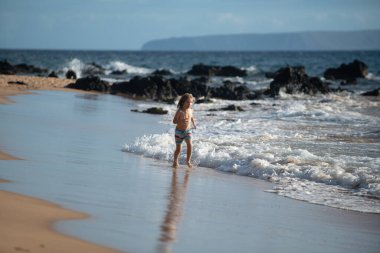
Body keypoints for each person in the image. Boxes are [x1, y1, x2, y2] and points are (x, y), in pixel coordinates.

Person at [172, 93, 197, 168]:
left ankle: (188, 161)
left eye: (191, 102)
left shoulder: (190, 110)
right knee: (178, 149)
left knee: (190, 145)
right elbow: (174, 121)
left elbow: (192, 117)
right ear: (183, 102)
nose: (189, 104)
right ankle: (175, 161)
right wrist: (179, 121)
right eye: (187, 102)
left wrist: (194, 123)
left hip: (187, 131)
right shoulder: (180, 111)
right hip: (179, 132)